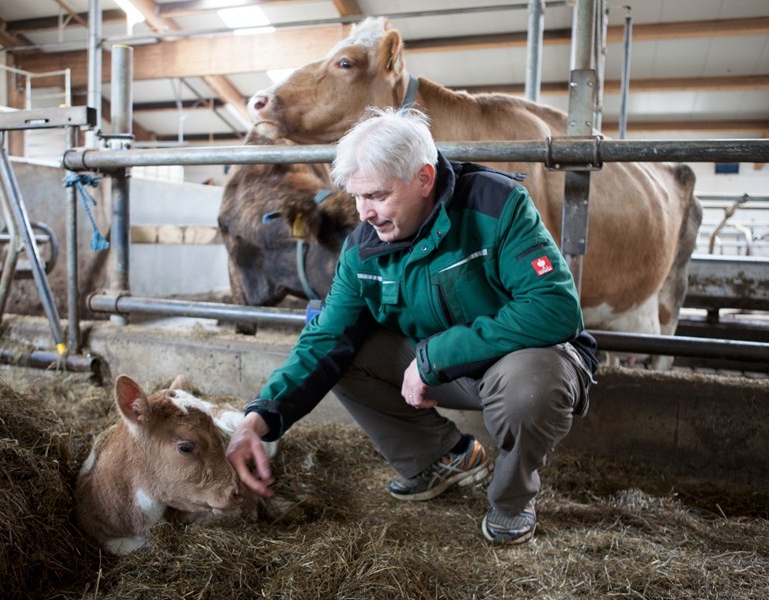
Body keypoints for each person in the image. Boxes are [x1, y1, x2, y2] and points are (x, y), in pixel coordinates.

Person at [226, 106, 597, 545]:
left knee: (531, 388)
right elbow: (325, 338)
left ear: (424, 178)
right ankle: (444, 458)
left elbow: (554, 307)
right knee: (342, 354)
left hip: (515, 363)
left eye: (378, 195)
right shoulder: (363, 247)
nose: (365, 212)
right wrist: (259, 417)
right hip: (439, 369)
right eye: (358, 196)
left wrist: (434, 357)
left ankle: (513, 499)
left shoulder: (497, 206)